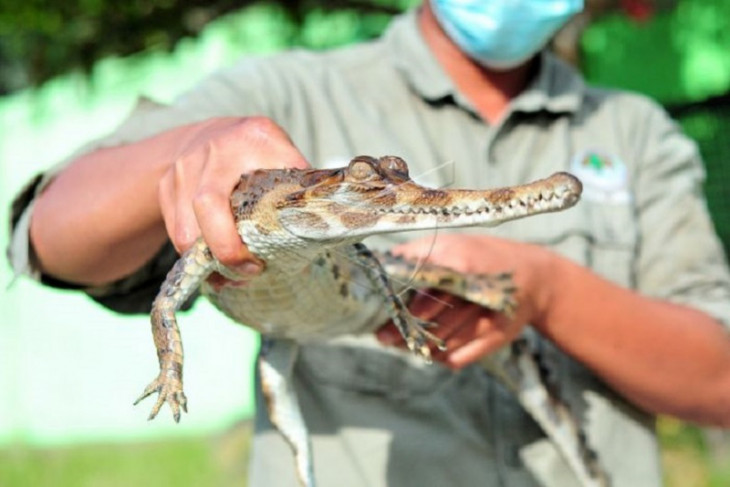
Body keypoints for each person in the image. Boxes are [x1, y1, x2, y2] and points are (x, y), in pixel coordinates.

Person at [8, 0, 730, 485]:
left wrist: (546, 289)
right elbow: (45, 236)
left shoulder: (636, 128)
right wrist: (186, 148)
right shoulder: (287, 89)